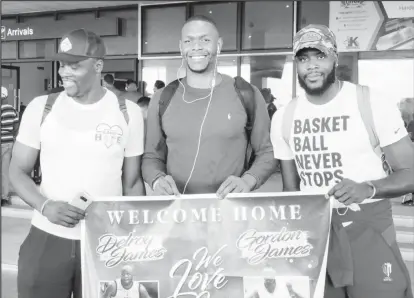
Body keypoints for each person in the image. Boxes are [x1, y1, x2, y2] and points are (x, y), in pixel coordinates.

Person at [270, 24, 414, 298]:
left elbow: (410, 173)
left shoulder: (370, 102)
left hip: (369, 228)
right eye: (303, 58)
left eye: (319, 56)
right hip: (316, 234)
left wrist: (368, 188)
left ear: (335, 57)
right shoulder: (283, 118)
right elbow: (291, 193)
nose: (311, 66)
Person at [9, 28, 145, 298]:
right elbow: (17, 170)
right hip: (47, 237)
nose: (64, 72)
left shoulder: (128, 113)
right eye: (62, 64)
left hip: (105, 242)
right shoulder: (41, 107)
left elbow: (132, 182)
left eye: (74, 65)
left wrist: (135, 238)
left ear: (98, 66)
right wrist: (45, 206)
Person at [142, 15, 276, 197]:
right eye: (189, 41)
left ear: (218, 45)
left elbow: (267, 152)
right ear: (181, 47)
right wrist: (157, 180)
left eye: (205, 40)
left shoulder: (246, 93)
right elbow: (151, 157)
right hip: (178, 211)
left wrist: (248, 180)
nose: (196, 46)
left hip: (231, 211)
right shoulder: (161, 98)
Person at [1, 86, 19, 206]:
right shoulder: (12, 110)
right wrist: (12, 136)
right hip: (8, 142)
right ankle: (4, 197)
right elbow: (16, 127)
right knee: (4, 171)